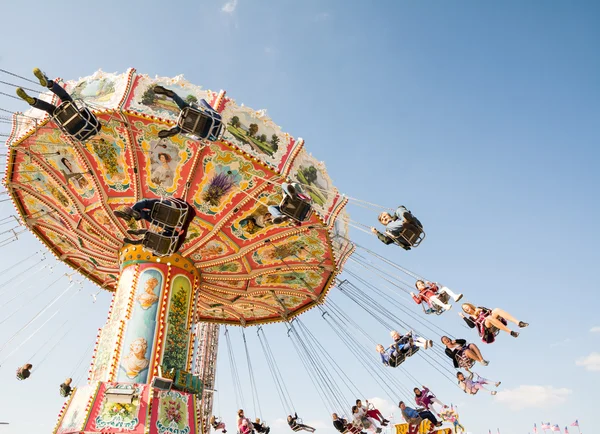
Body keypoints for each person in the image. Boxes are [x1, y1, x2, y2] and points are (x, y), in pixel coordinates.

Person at [16, 68, 99, 139]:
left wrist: (82, 110)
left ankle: (48, 83)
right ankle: (34, 102)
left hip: (73, 113)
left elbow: (87, 113)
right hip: (63, 121)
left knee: (64, 96)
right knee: (49, 109)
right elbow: (66, 133)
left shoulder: (95, 125)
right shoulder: (79, 137)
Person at [114, 198, 196, 246]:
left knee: (146, 203)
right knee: (150, 218)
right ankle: (140, 238)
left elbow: (174, 200)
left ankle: (133, 211)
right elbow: (181, 237)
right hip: (167, 222)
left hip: (169, 207)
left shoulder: (184, 205)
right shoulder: (187, 221)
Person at [152, 86, 222, 139]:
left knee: (186, 109)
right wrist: (202, 103)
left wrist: (202, 104)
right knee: (185, 110)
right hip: (208, 127)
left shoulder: (218, 119)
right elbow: (197, 138)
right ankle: (176, 129)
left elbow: (203, 103)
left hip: (204, 127)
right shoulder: (215, 123)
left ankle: (175, 130)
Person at [460, 303, 528, 342]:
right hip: (487, 329)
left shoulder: (479, 308)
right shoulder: (471, 318)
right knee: (488, 318)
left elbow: (490, 311)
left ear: (469, 306)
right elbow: (471, 326)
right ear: (465, 311)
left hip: (493, 320)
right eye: (464, 309)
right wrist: (463, 317)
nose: (466, 308)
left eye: (466, 306)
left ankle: (519, 323)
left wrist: (481, 310)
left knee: (496, 309)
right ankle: (511, 332)